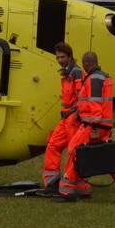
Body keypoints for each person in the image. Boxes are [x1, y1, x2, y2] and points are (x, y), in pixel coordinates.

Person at [54, 51, 115, 204]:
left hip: (93, 126)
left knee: (75, 150)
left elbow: (95, 106)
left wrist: (93, 128)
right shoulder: (102, 77)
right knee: (107, 157)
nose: (83, 67)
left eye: (84, 63)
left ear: (88, 63)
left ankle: (67, 190)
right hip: (102, 125)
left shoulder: (94, 79)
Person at [41, 42, 83, 193]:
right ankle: (52, 182)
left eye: (63, 57)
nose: (59, 60)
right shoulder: (66, 73)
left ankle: (73, 184)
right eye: (58, 57)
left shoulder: (76, 73)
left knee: (74, 151)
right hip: (66, 118)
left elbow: (81, 97)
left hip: (73, 118)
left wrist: (76, 115)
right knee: (53, 144)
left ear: (70, 56)